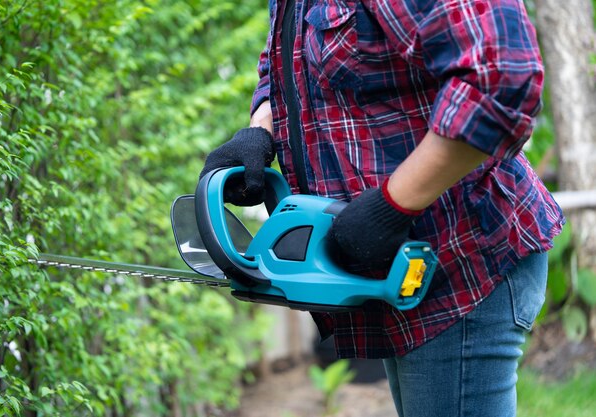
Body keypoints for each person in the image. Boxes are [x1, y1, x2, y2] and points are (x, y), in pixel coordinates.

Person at [200, 1, 564, 416]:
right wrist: (260, 131)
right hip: (392, 269)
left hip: (456, 260)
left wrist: (391, 206)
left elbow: (501, 77)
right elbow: (286, 57)